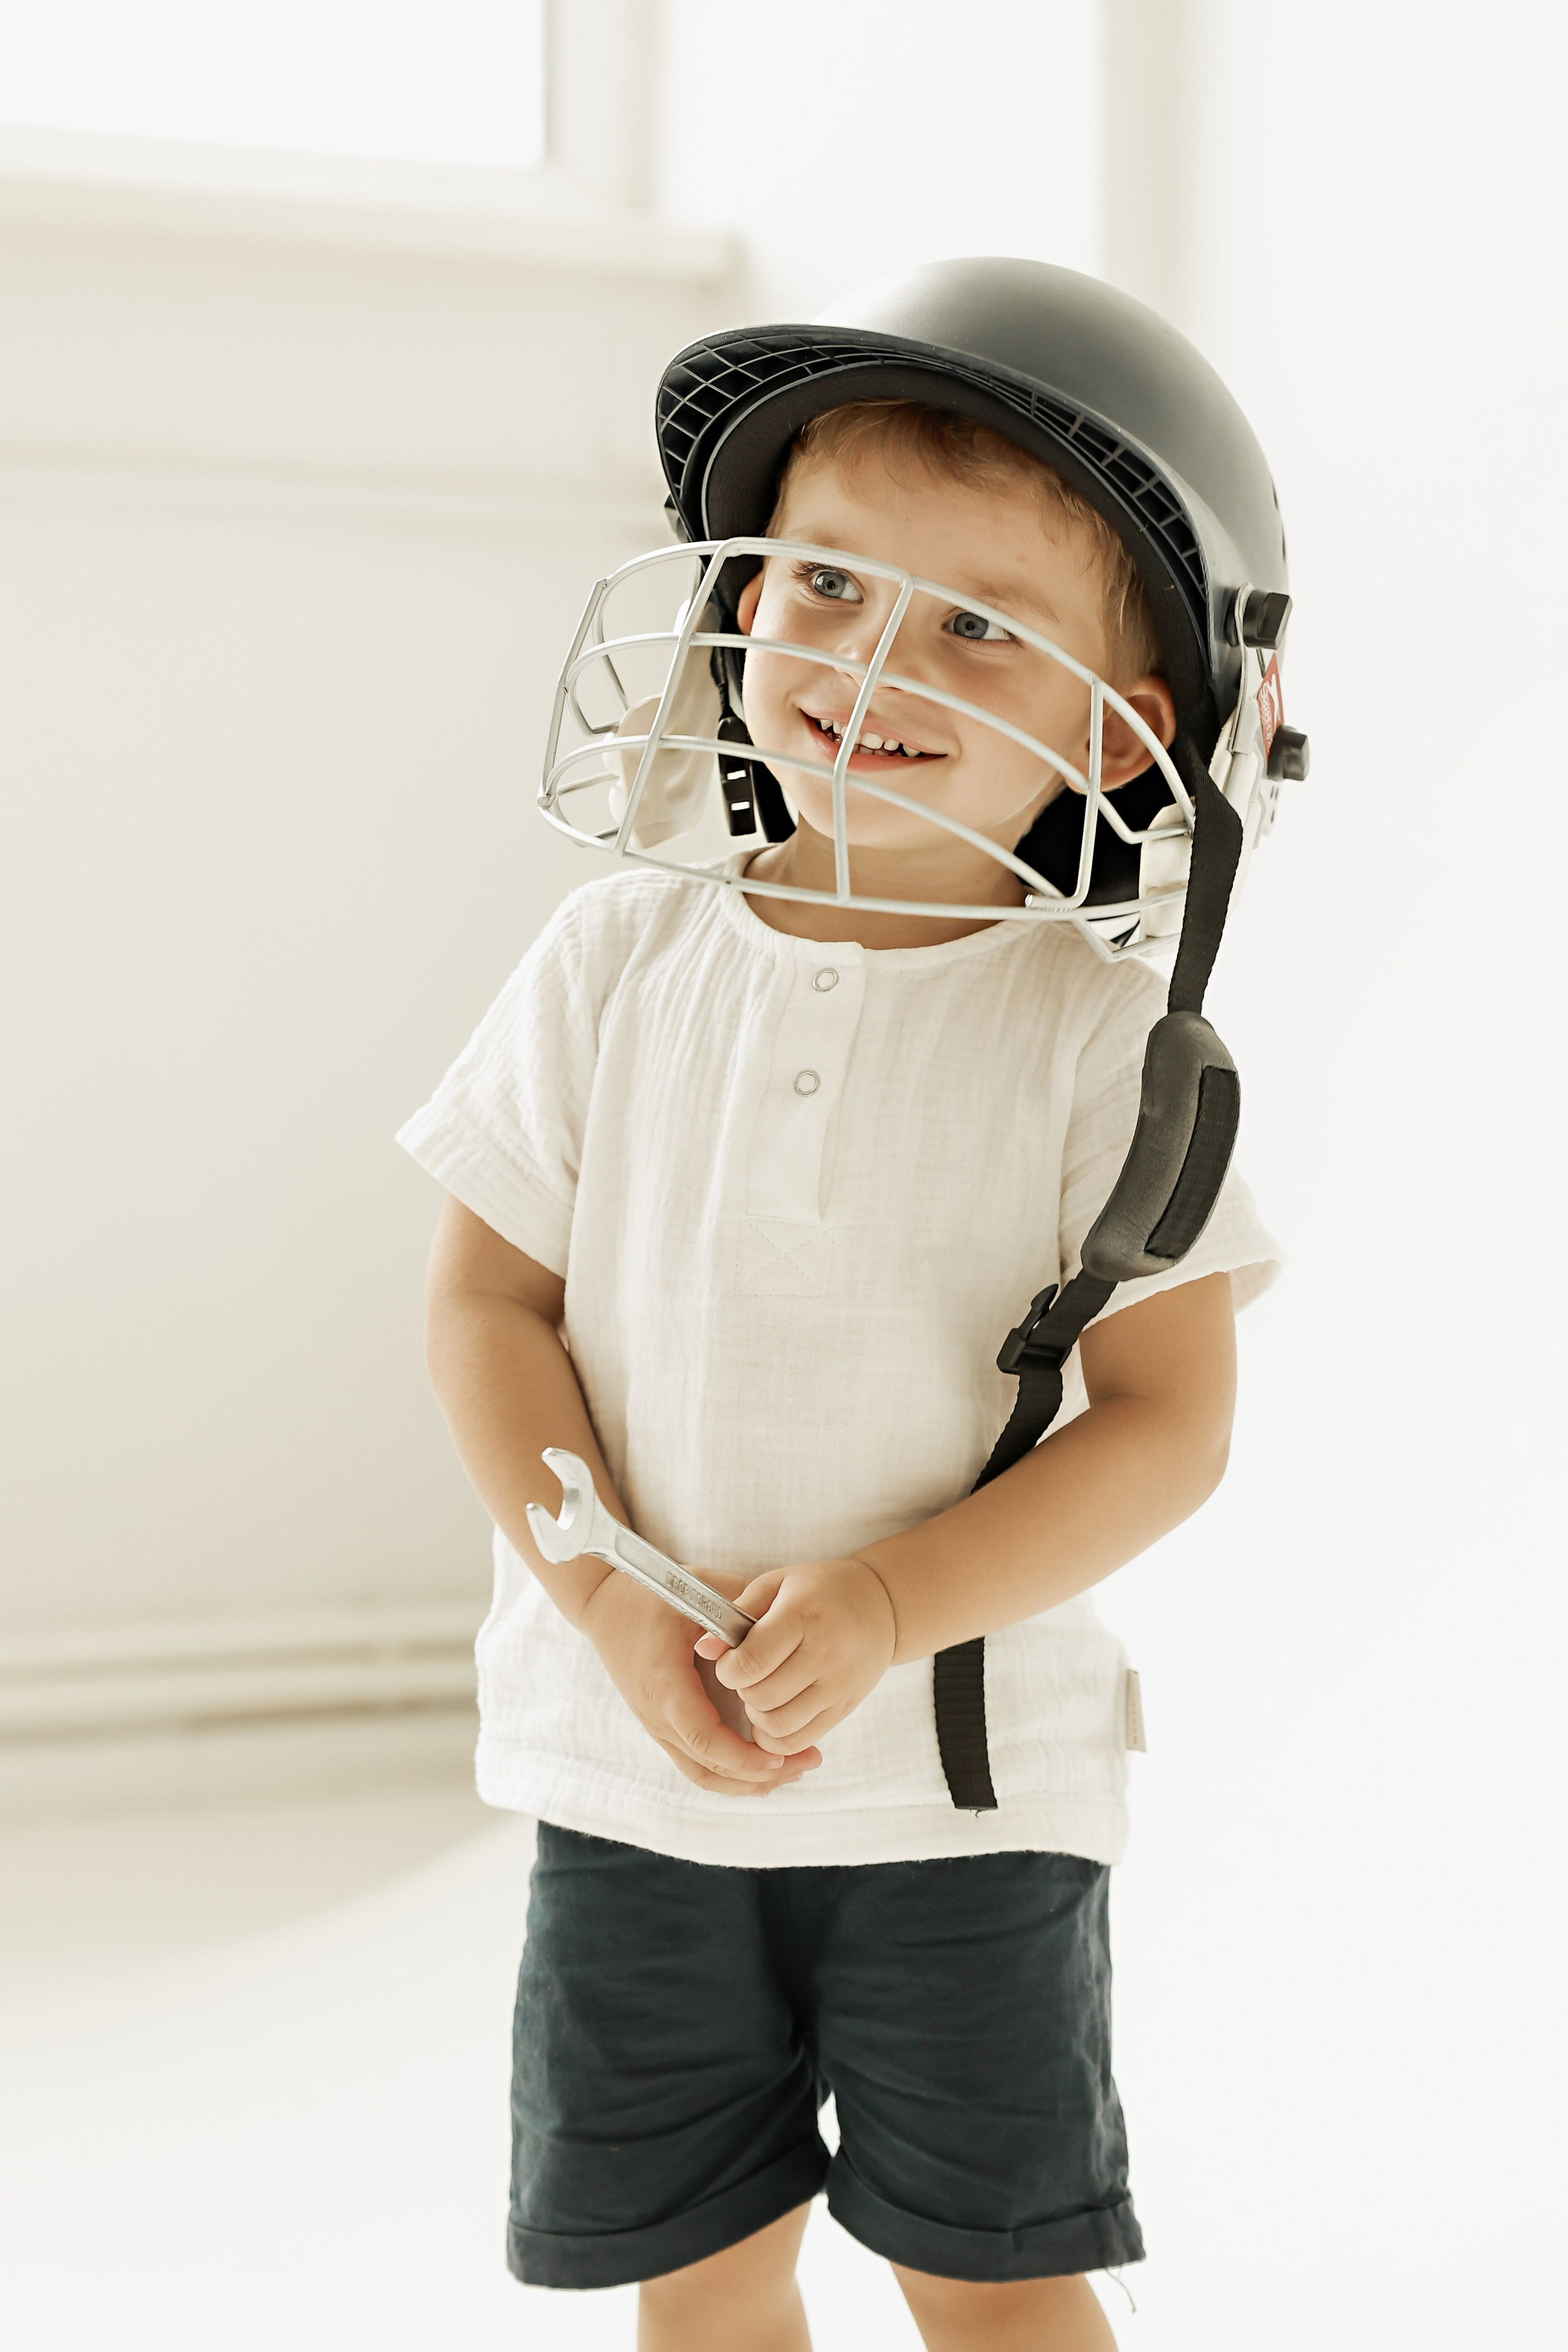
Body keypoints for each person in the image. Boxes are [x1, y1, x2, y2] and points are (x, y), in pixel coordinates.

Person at [399, 259, 1291, 2352]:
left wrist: (894, 1606)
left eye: (976, 624)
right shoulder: (616, 960)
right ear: (738, 597)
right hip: (632, 1770)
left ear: (1120, 725)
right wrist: (610, 1605)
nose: (873, 660)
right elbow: (482, 1310)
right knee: (695, 2279)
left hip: (967, 1803)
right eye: (824, 585)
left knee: (994, 2283)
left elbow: (1172, 1417)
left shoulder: (1104, 1044)